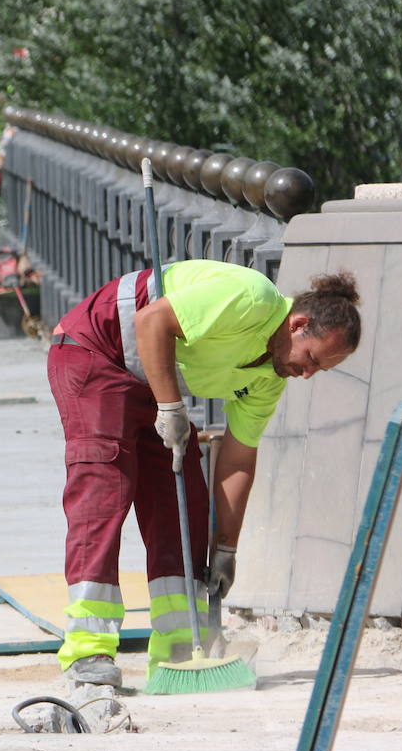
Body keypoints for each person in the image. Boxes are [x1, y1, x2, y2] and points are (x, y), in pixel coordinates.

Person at [48, 262, 362, 687]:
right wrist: (170, 408)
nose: (305, 374)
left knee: (182, 501)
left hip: (150, 376)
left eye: (317, 370)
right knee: (105, 489)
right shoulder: (251, 298)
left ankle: (179, 648)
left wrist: (226, 548)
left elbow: (237, 459)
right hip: (97, 350)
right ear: (298, 324)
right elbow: (152, 320)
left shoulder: (269, 378)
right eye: (310, 359)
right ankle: (88, 650)